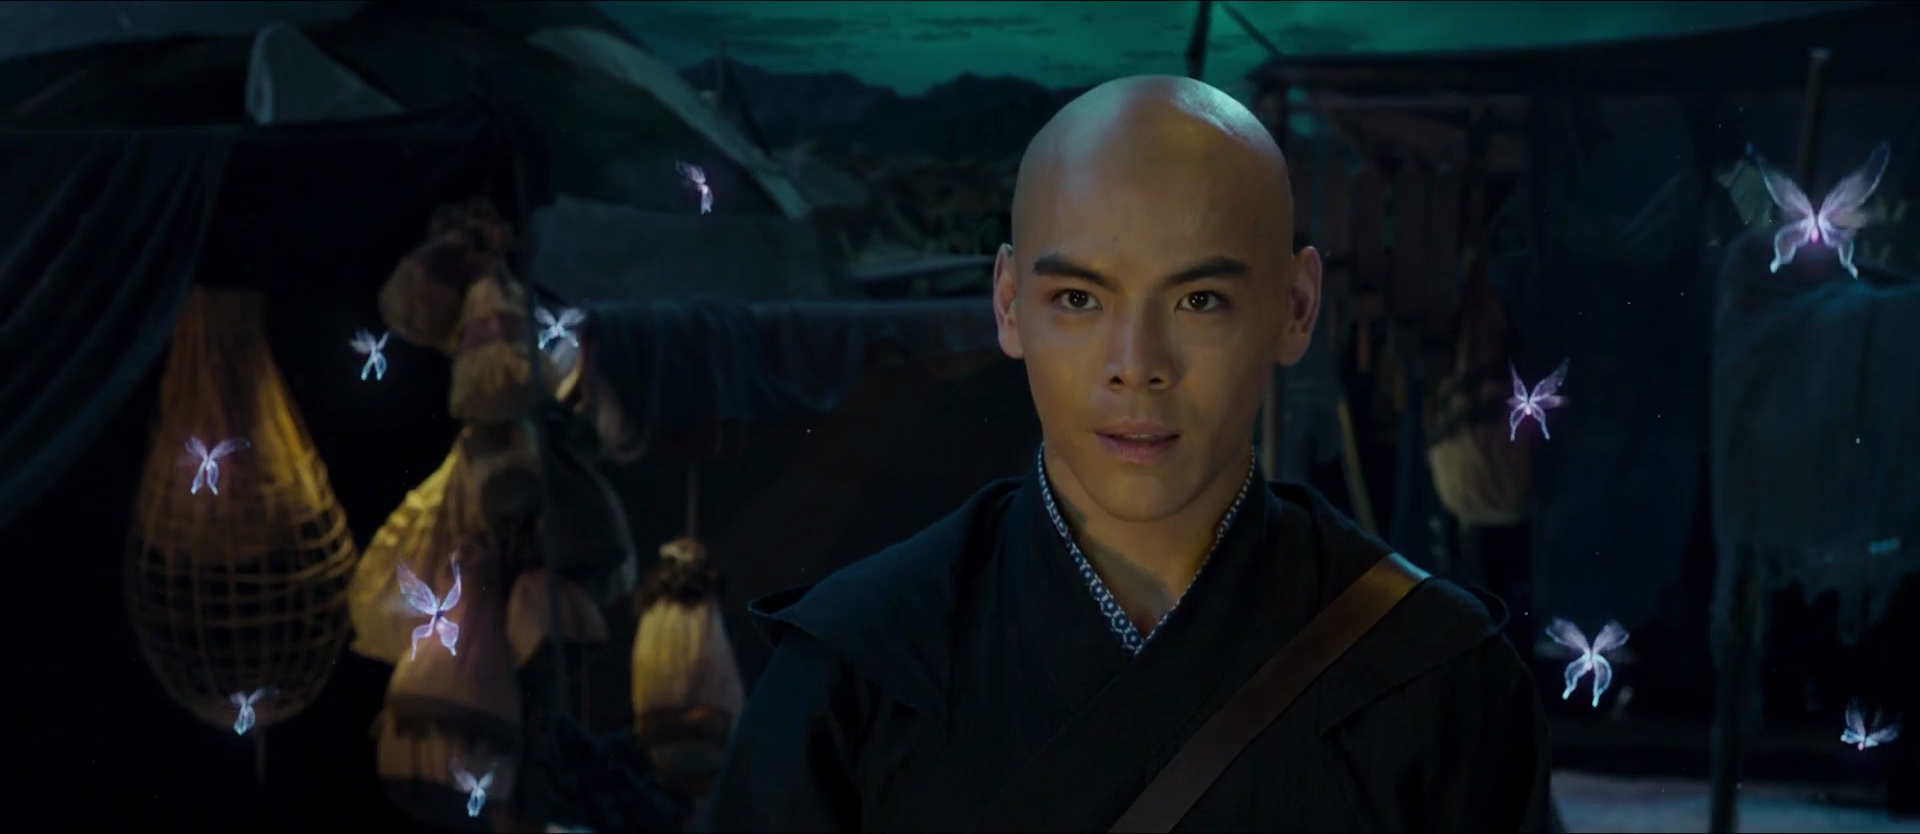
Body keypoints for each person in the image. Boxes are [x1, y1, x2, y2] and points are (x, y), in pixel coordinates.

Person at [700, 75, 1556, 832]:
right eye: (1079, 299)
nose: (1137, 363)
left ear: (1296, 308)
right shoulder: (857, 668)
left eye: (1199, 299)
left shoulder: (1433, 671)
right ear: (1009, 305)